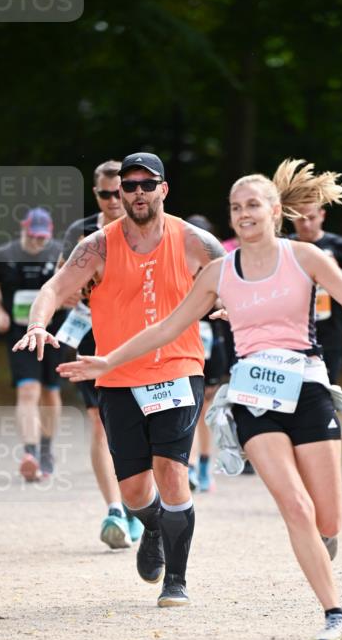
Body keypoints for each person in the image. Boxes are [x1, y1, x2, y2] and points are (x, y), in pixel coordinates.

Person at [56, 160, 342, 640]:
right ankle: (334, 613)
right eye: (235, 207)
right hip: (253, 394)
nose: (243, 214)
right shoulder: (219, 271)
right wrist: (107, 361)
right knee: (294, 506)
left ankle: (324, 542)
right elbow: (165, 327)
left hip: (307, 387)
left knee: (327, 518)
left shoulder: (306, 257)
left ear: (275, 211)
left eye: (252, 205)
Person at [13, 152, 225, 606]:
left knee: (171, 471)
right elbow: (54, 288)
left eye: (147, 184)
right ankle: (154, 526)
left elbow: (238, 279)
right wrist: (37, 324)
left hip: (178, 368)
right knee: (133, 492)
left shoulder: (194, 241)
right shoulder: (98, 246)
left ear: (164, 189)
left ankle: (176, 580)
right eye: (129, 185)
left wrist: (237, 310)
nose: (137, 192)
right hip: (116, 375)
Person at [61, 159, 144, 550]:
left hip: (137, 336)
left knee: (142, 422)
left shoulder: (143, 227)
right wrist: (72, 292)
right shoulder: (81, 233)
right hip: (92, 338)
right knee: (99, 422)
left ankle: (137, 503)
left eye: (118, 192)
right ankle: (114, 509)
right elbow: (61, 280)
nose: (113, 200)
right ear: (96, 194)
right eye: (106, 194)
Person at [0, 207, 66, 481]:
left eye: (42, 238)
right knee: (28, 390)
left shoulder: (60, 254)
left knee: (50, 392)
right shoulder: (5, 256)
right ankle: (30, 453)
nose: (37, 242)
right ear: (23, 230)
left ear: (49, 235)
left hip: (54, 333)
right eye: (32, 236)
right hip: (20, 334)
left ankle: (46, 450)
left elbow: (75, 286)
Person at [290, 202, 342, 384]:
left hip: (330, 332)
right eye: (300, 219)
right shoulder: (285, 245)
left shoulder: (338, 244)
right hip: (292, 332)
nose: (306, 224)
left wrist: (336, 271)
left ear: (322, 215)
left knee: (326, 388)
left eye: (311, 218)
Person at [185, 215, 230, 493]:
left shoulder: (219, 266)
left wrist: (214, 297)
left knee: (203, 408)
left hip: (211, 342)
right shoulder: (176, 264)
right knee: (186, 406)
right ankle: (189, 464)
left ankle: (202, 464)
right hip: (181, 340)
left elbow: (229, 300)